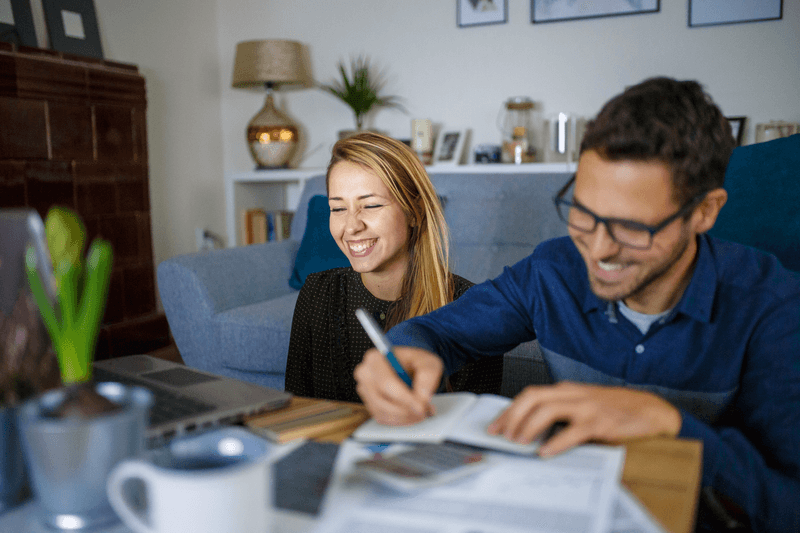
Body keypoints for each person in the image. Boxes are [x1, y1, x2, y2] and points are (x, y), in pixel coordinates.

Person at [353, 78, 800, 532]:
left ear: (704, 212)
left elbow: (790, 502)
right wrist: (403, 353)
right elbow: (437, 333)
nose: (599, 251)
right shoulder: (553, 269)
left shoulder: (774, 307)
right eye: (583, 214)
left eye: (630, 227)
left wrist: (667, 424)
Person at [285, 132, 502, 403]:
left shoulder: (470, 308)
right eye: (338, 209)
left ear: (414, 212)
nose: (351, 226)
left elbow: (470, 428)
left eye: (371, 205)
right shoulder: (317, 293)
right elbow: (296, 408)